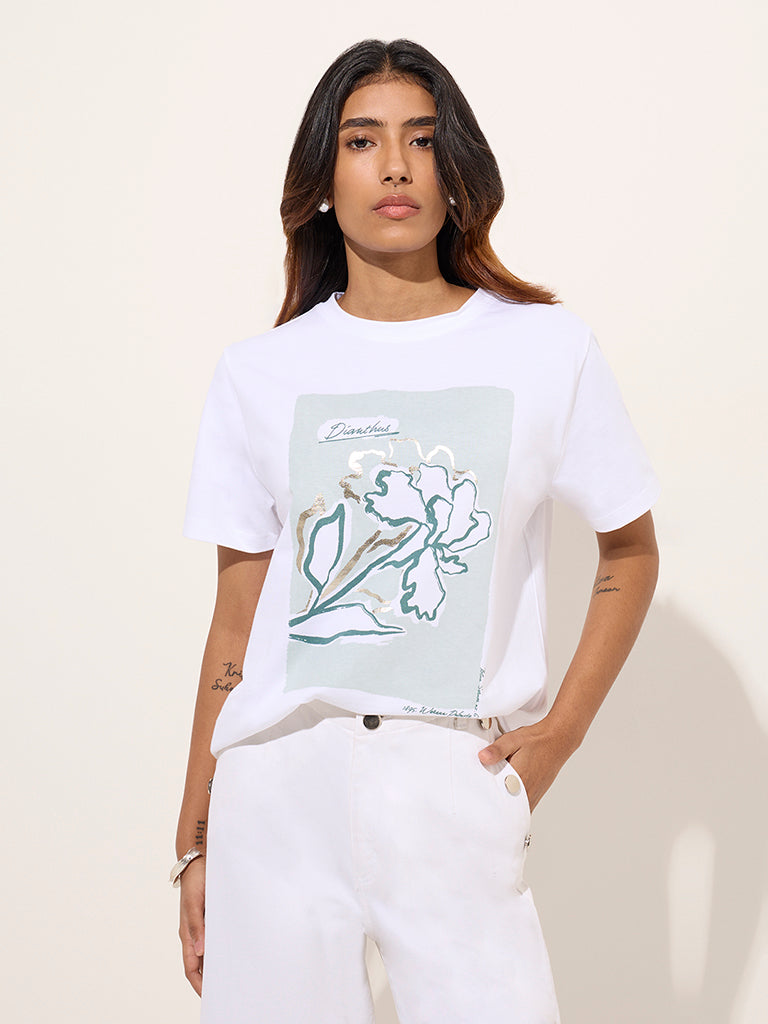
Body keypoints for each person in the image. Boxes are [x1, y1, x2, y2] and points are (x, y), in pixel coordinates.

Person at [172, 37, 660, 1024]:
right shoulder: (258, 373)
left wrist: (559, 734)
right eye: (362, 141)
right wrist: (196, 837)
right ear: (322, 180)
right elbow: (237, 620)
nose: (394, 166)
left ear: (456, 168)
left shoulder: (543, 347)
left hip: (452, 777)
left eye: (423, 140)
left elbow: (631, 549)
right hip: (277, 787)